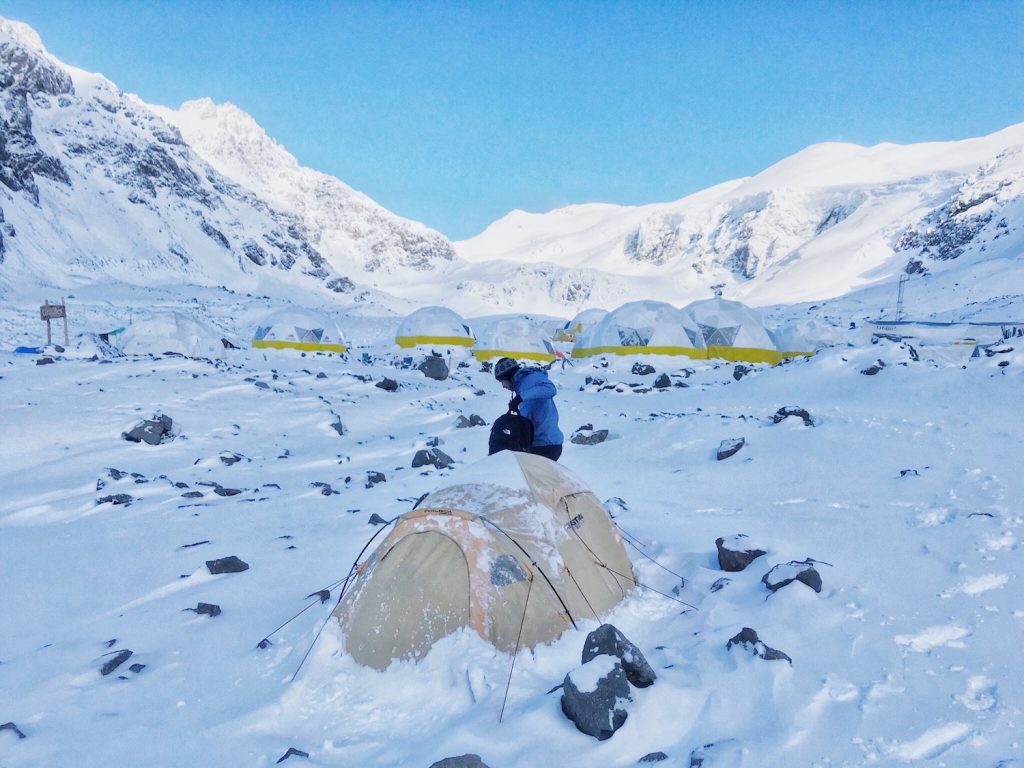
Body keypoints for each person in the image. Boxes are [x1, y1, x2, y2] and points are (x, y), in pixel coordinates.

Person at [493, 357, 564, 461]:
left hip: (546, 444)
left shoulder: (531, 378)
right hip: (537, 444)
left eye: (501, 381)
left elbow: (550, 389)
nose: (503, 386)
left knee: (539, 477)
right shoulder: (521, 384)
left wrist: (520, 398)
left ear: (507, 375)